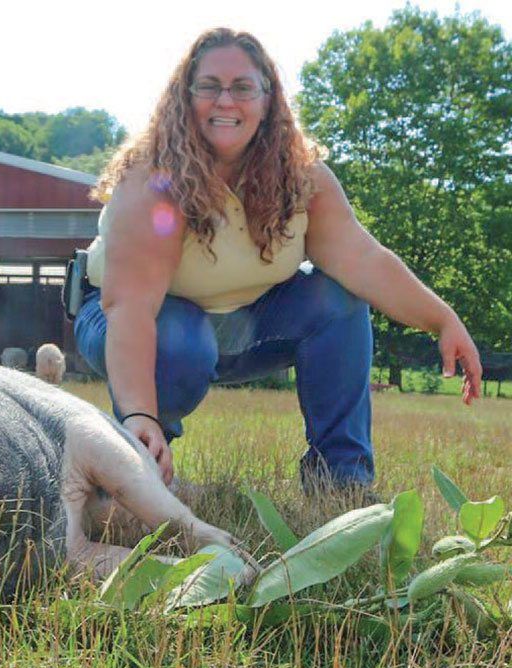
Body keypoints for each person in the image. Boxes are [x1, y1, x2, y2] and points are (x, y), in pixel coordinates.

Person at [74, 27, 482, 495]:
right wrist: (140, 416)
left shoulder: (302, 177)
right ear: (184, 97)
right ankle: (141, 463)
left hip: (248, 323)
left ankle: (340, 481)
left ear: (269, 100)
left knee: (340, 298)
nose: (225, 101)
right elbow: (129, 307)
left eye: (243, 87)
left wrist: (443, 319)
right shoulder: (151, 179)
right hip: (131, 324)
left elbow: (364, 260)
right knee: (181, 337)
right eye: (209, 86)